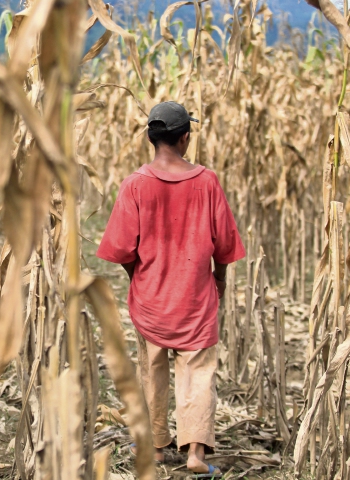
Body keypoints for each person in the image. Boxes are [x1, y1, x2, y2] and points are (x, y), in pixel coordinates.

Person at [96, 102, 245, 477]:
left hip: (152, 302)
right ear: (185, 138)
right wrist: (220, 277)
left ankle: (155, 446)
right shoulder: (207, 181)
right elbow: (224, 242)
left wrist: (139, 278)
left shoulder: (135, 184)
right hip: (196, 299)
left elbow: (121, 249)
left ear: (151, 139)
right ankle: (195, 453)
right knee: (198, 373)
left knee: (152, 370)